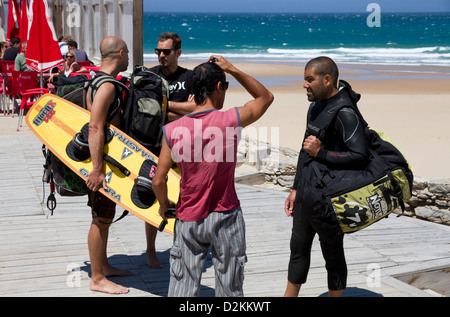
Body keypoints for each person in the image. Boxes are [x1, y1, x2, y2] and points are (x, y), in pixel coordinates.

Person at [152, 56, 274, 296]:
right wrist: (232, 69)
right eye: (225, 86)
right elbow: (266, 97)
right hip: (226, 215)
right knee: (230, 287)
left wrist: (164, 205)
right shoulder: (230, 120)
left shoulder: (172, 130)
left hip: (188, 217)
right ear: (219, 87)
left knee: (183, 287)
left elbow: (159, 179)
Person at [283, 56, 369, 297]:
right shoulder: (315, 106)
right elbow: (304, 150)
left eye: (309, 79)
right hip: (307, 192)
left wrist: (321, 152)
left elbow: (359, 156)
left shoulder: (345, 112)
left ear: (327, 79)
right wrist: (295, 188)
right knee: (298, 248)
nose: (304, 85)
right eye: (304, 79)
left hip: (329, 197)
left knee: (332, 251)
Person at [145, 32, 196, 269]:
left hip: (184, 145)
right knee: (155, 196)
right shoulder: (150, 76)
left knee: (184, 197)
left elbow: (196, 110)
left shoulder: (190, 77)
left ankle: (182, 245)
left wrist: (163, 105)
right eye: (158, 51)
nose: (161, 55)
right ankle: (151, 250)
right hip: (155, 145)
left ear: (178, 52)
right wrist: (179, 109)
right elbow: (144, 110)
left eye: (166, 51)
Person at [85, 36, 131, 295]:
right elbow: (95, 126)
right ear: (121, 53)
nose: (128, 59)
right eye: (127, 55)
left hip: (106, 162)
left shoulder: (96, 80)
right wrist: (97, 168)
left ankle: (103, 265)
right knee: (100, 218)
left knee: (105, 216)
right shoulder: (107, 86)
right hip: (102, 163)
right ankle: (97, 278)